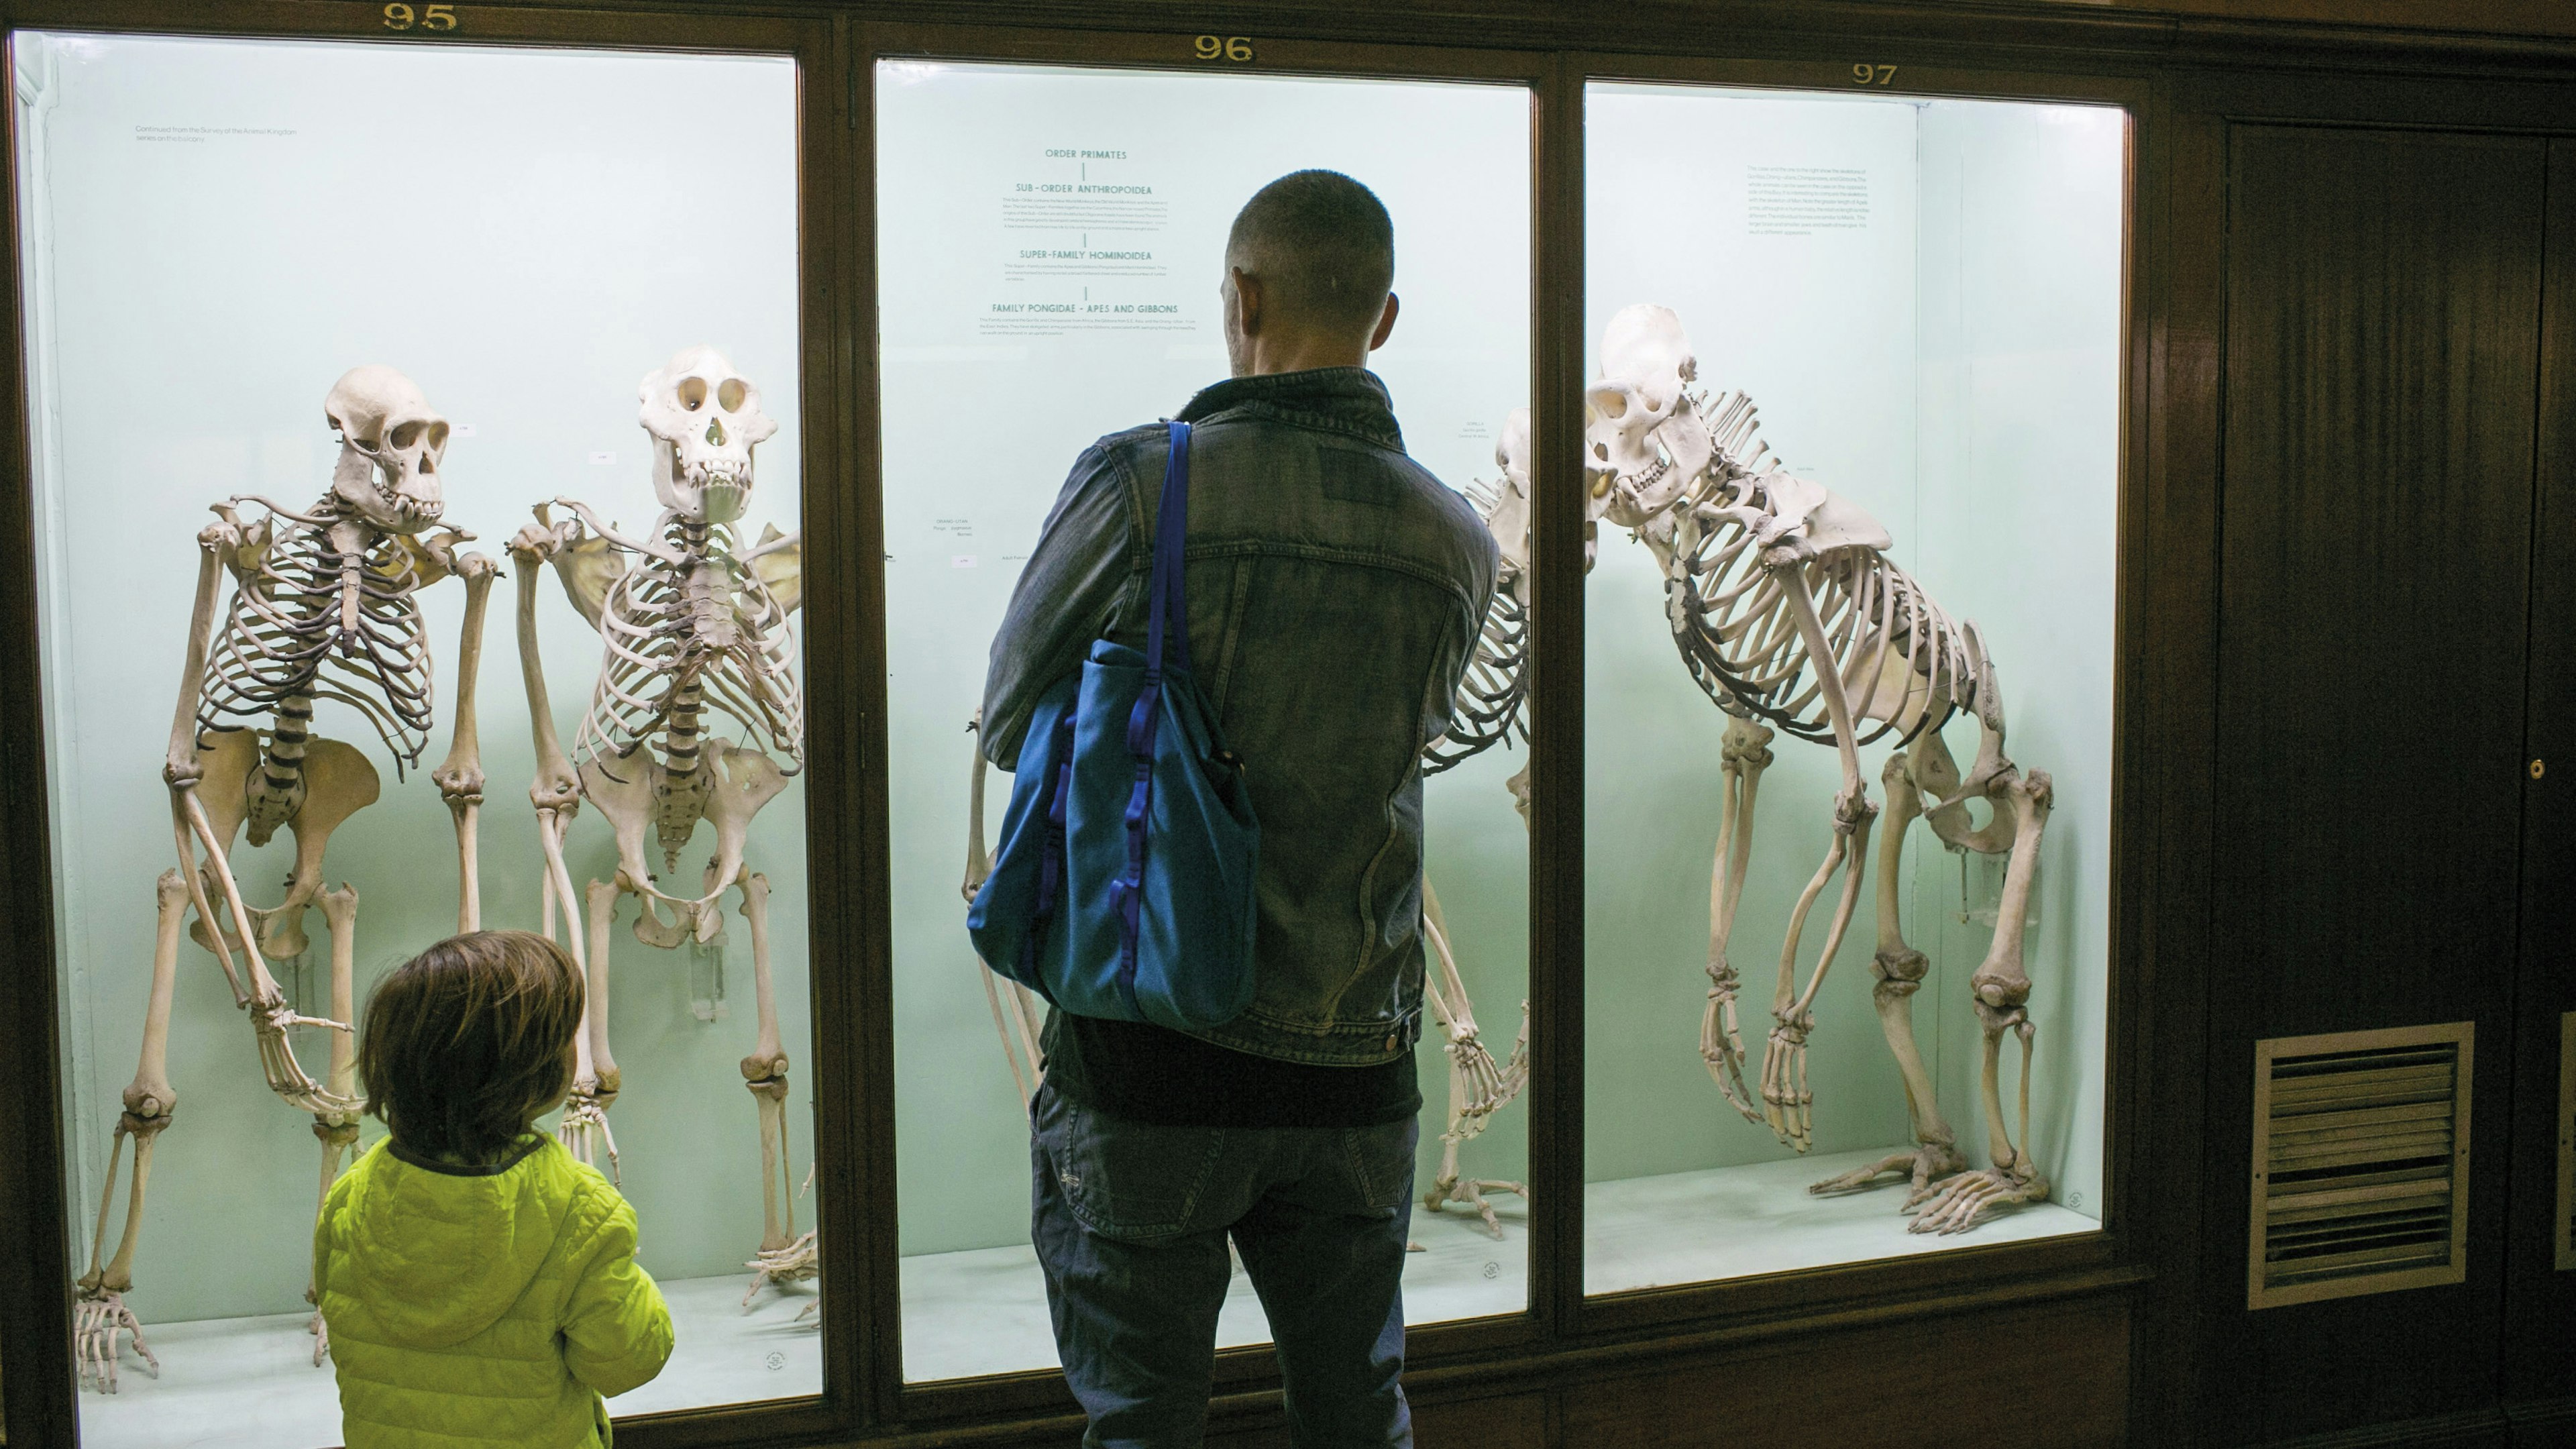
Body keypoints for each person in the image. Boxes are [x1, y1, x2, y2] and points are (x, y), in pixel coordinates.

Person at [981, 169, 1501, 1448]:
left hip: (1148, 1054)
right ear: (1384, 321)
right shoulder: (1457, 537)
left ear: (1242, 296)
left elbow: (1006, 723)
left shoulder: (1139, 485)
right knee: (1354, 1421)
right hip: (1357, 1070)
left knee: (1144, 1428)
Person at [312, 930, 674, 1448]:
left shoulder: (352, 1193)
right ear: (540, 1070)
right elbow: (629, 1361)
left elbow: (340, 1312)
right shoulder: (580, 1209)